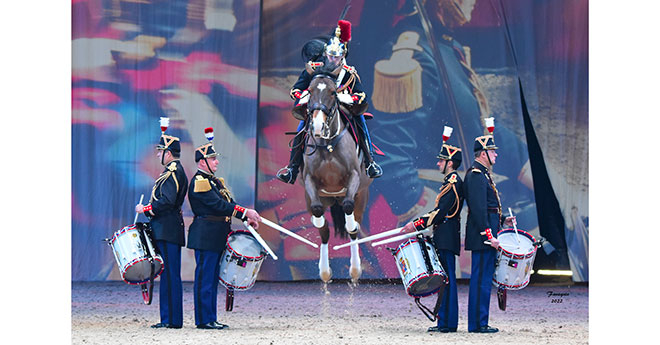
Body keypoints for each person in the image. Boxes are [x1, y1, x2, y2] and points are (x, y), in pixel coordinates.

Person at [359, 0, 536, 230]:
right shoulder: (412, 57)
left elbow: (477, 125)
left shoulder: (445, 45)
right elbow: (390, 156)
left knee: (540, 213)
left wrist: (537, 174)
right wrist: (433, 218)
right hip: (438, 203)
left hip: (465, 187)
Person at [276, 19, 383, 184]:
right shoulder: (314, 68)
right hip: (319, 106)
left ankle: (370, 162)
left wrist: (346, 98)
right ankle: (292, 168)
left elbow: (361, 95)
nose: (333, 60)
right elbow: (296, 89)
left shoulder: (348, 73)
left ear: (342, 56)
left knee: (360, 121)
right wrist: (306, 96)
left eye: (337, 57)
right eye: (331, 56)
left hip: (342, 107)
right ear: (326, 54)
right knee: (301, 128)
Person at [186, 127, 262, 330]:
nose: (216, 162)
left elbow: (229, 203)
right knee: (205, 278)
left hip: (216, 235)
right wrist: (245, 211)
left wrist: (246, 218)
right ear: (203, 162)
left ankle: (210, 317)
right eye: (212, 159)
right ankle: (203, 320)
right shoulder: (200, 182)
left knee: (211, 278)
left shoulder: (215, 182)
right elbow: (218, 206)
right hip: (206, 235)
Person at [401, 126, 463, 333]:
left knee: (448, 281)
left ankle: (448, 323)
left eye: (441, 161)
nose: (438, 163)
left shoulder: (453, 183)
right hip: (444, 236)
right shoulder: (449, 182)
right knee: (445, 281)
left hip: (446, 237)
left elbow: (439, 212)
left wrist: (415, 224)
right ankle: (444, 322)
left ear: (450, 163)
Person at [135, 117, 188, 329]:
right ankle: (169, 319)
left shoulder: (173, 172)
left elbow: (166, 201)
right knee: (167, 275)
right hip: (166, 228)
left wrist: (145, 209)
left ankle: (171, 320)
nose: (157, 155)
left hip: (168, 228)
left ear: (168, 152)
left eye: (160, 151)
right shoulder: (171, 172)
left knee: (169, 275)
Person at [463, 117, 514, 333]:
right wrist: (489, 235)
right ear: (483, 153)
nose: (496, 154)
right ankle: (478, 324)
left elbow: (489, 208)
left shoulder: (483, 174)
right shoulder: (476, 175)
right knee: (480, 282)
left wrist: (502, 222)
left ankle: (480, 322)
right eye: (492, 152)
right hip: (484, 238)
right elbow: (477, 209)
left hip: (488, 236)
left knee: (484, 280)